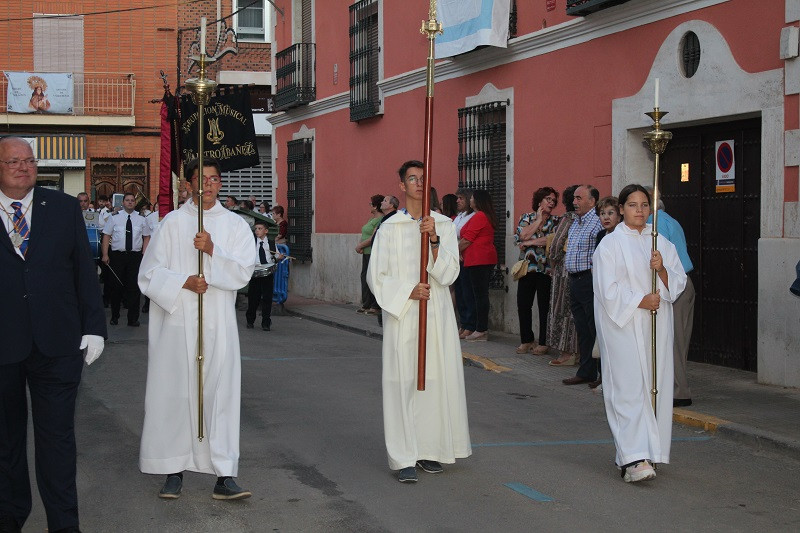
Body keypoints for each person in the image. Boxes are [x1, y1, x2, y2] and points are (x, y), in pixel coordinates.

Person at [0, 136, 106, 533]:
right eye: (13, 161)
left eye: (29, 160)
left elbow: (83, 269)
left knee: (57, 442)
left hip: (57, 344)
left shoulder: (61, 208)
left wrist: (94, 328)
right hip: (3, 344)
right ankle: (9, 516)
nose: (24, 167)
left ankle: (64, 525)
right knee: (5, 443)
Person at [138, 158, 255, 500]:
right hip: (176, 324)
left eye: (214, 179)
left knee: (219, 395)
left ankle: (223, 473)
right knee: (175, 393)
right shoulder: (171, 224)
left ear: (220, 184)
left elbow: (244, 271)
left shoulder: (235, 225)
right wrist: (184, 281)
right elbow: (148, 274)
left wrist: (213, 251)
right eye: (200, 179)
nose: (207, 185)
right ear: (187, 184)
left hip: (217, 322)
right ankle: (173, 468)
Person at [367, 159, 471, 483]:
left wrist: (435, 241)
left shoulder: (444, 224)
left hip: (436, 313)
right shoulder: (389, 228)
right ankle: (403, 456)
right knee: (402, 382)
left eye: (423, 178)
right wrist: (406, 291)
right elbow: (376, 276)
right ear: (401, 185)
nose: (417, 183)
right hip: (404, 315)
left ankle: (428, 449)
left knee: (435, 381)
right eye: (411, 178)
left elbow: (450, 272)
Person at [593, 184, 686, 482]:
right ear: (622, 209)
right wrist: (640, 300)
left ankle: (651, 451)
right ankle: (631, 458)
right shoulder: (610, 244)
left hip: (655, 326)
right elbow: (607, 290)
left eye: (645, 205)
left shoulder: (659, 242)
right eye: (633, 205)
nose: (640, 211)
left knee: (654, 387)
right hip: (624, 326)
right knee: (628, 388)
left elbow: (679, 281)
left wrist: (661, 271)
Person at [644, 186, 696, 407]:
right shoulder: (669, 220)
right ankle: (676, 388)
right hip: (683, 283)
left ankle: (679, 392)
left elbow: (656, 259)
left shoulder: (653, 224)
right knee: (678, 340)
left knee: (672, 340)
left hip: (672, 285)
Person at [562, 185, 603, 385]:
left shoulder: (597, 223)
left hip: (589, 280)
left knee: (596, 327)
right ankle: (587, 371)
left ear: (592, 201)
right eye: (574, 198)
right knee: (582, 328)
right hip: (575, 280)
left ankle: (604, 373)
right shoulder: (576, 223)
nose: (574, 202)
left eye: (579, 198)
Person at [514, 187, 560, 355]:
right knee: (523, 305)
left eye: (553, 200)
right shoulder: (526, 218)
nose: (551, 202)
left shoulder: (556, 221)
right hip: (527, 268)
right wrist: (538, 220)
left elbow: (552, 241)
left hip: (546, 270)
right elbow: (522, 235)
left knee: (544, 307)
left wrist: (530, 243)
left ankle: (543, 342)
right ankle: (526, 340)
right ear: (539, 201)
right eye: (548, 199)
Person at [101, 192, 151, 327]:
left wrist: (144, 253)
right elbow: (106, 235)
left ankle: (133, 319)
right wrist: (105, 254)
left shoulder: (141, 219)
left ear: (135, 203)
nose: (130, 202)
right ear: (123, 203)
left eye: (132, 200)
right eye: (127, 200)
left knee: (134, 288)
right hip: (118, 256)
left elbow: (146, 236)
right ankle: (115, 316)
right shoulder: (114, 218)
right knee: (116, 287)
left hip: (135, 257)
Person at [546, 185, 580, 366]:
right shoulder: (589, 218)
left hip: (564, 272)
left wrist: (553, 263)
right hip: (580, 271)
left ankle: (567, 352)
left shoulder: (568, 219)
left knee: (563, 310)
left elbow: (556, 246)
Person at [459, 189, 499, 342]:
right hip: (477, 259)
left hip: (479, 259)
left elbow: (467, 239)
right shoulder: (480, 216)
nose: (470, 200)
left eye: (472, 198)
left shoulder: (480, 216)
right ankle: (477, 327)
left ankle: (481, 329)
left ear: (477, 201)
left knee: (479, 296)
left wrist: (455, 251)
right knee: (476, 295)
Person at [247, 220, 282, 331]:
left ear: (266, 231)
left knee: (267, 298)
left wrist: (278, 258)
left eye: (260, 229)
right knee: (253, 299)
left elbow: (274, 258)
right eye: (256, 229)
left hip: (267, 274)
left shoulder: (271, 243)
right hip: (255, 273)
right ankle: (250, 320)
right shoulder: (251, 242)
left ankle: (266, 322)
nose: (257, 231)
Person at [453, 188, 476, 338]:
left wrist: (458, 251)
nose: (458, 201)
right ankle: (463, 323)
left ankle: (469, 324)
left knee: (468, 293)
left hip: (465, 257)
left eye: (461, 198)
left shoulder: (473, 216)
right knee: (459, 292)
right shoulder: (459, 216)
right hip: (456, 256)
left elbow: (467, 237)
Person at [355, 195, 384, 314]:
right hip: (365, 252)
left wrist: (360, 245)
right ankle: (366, 303)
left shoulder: (380, 220)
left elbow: (373, 237)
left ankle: (374, 305)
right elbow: (365, 233)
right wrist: (360, 245)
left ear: (376, 206)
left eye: (371, 204)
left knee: (372, 278)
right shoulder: (371, 219)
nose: (369, 206)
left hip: (372, 252)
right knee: (364, 277)